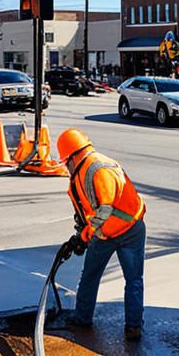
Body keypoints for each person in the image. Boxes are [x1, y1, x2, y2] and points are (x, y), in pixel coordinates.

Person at [55, 128, 147, 341]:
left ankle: (97, 320)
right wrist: (80, 233)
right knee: (120, 279)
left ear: (71, 157)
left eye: (65, 163)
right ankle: (123, 325)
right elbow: (88, 208)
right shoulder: (91, 167)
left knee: (109, 278)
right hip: (119, 230)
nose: (66, 168)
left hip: (119, 232)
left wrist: (86, 235)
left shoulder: (96, 170)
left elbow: (105, 210)